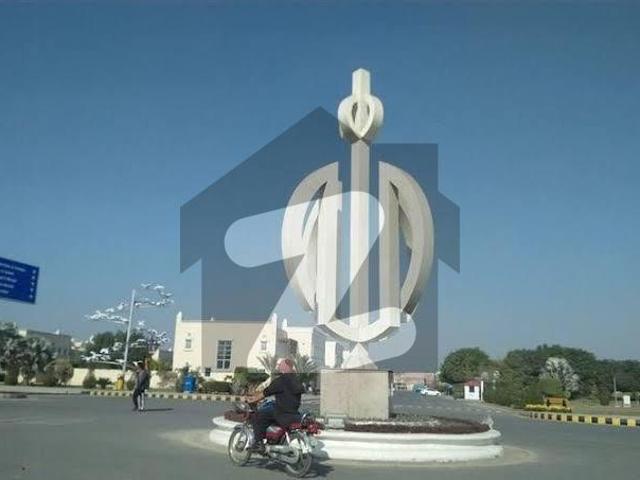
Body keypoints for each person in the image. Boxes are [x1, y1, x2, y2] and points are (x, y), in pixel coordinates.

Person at [247, 358, 304, 453]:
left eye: (280, 364)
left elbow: (265, 393)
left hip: (281, 413)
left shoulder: (281, 381)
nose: (278, 366)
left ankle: (258, 443)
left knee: (257, 416)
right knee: (270, 408)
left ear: (285, 367)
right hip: (294, 413)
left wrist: (252, 399)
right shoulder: (297, 380)